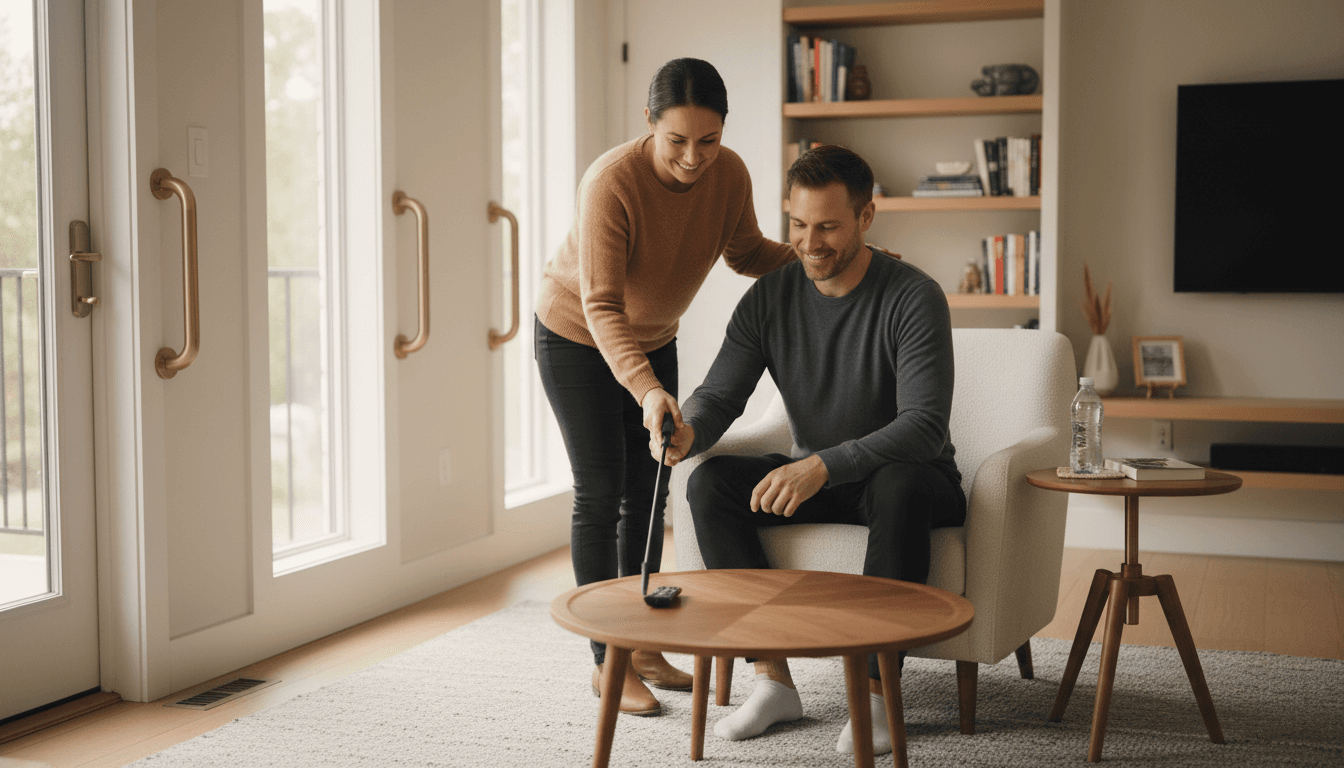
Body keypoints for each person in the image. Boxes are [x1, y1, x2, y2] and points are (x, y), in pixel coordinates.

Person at [657, 145, 968, 754]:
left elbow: (924, 426)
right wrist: (688, 430)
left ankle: (875, 695)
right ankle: (772, 681)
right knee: (709, 483)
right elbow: (720, 394)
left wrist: (823, 465)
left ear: (866, 216)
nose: (809, 242)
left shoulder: (914, 295)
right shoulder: (769, 298)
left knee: (899, 483)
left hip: (911, 478)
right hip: (819, 477)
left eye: (827, 226)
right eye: (798, 225)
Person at [533, 58, 797, 717]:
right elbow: (601, 305)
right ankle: (608, 661)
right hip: (575, 335)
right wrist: (649, 391)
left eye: (708, 140)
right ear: (649, 121)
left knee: (649, 491)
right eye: (677, 140)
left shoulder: (728, 174)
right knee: (601, 491)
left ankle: (643, 644)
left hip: (652, 337)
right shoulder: (611, 182)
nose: (693, 158)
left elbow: (746, 253)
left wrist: (819, 256)